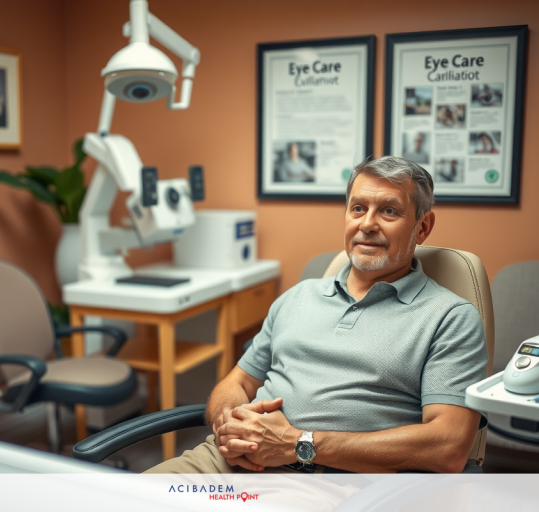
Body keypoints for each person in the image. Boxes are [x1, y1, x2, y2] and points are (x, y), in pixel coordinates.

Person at [146, 156, 487, 476]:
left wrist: (299, 444)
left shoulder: (450, 319)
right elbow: (237, 382)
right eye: (358, 208)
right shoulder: (298, 296)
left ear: (422, 227)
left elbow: (448, 447)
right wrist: (229, 425)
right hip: (225, 463)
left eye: (388, 211)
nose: (367, 224)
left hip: (335, 482)